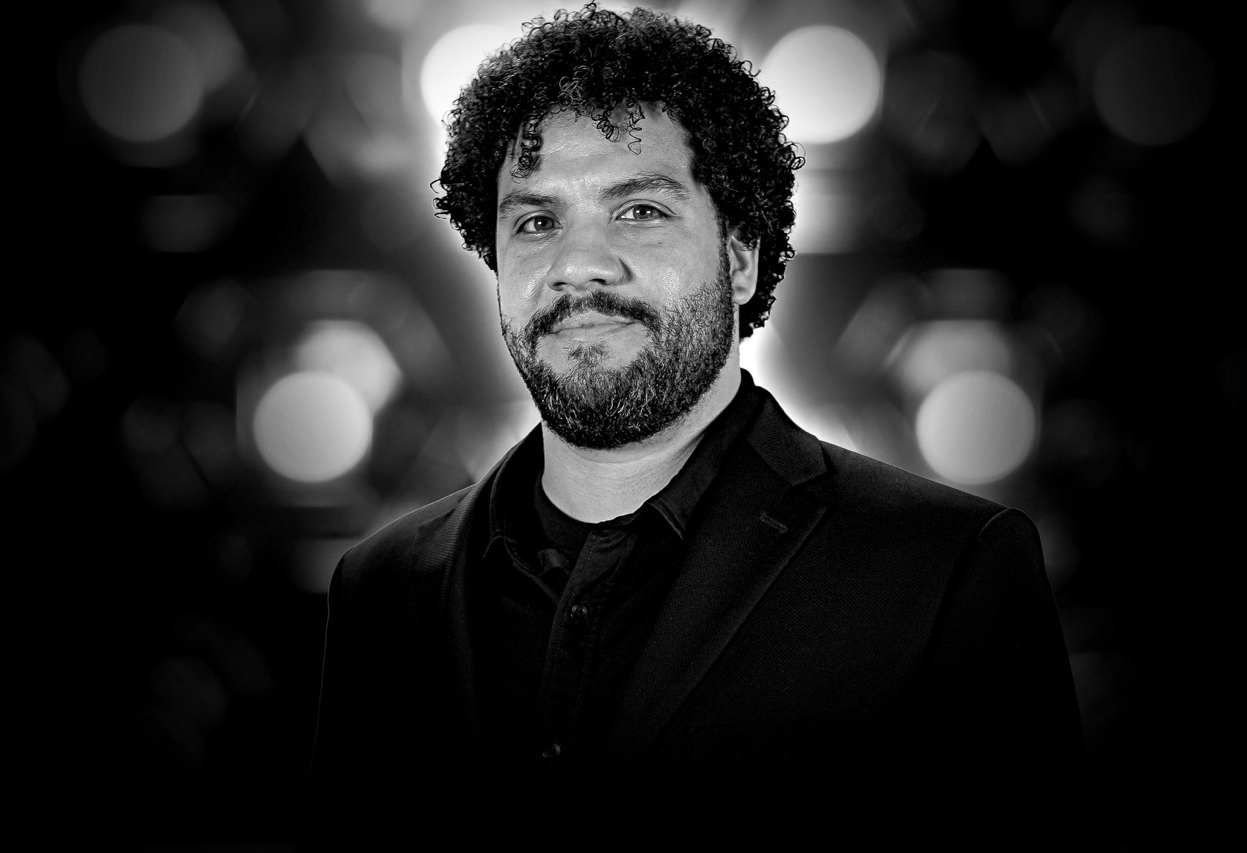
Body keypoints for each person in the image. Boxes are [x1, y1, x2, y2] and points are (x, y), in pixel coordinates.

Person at [307, 3, 1086, 841]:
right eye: (536, 221)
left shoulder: (951, 571)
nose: (578, 265)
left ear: (741, 255)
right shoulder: (379, 589)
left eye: (639, 210)